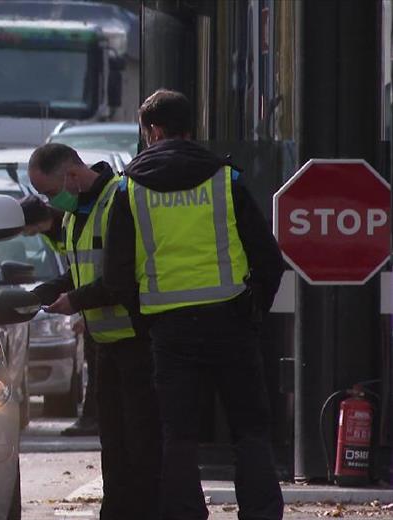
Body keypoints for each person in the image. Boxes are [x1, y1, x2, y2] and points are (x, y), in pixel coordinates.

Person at [103, 89, 285, 520]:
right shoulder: (226, 179)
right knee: (251, 429)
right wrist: (253, 309)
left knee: (178, 435)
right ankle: (260, 512)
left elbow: (116, 276)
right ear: (189, 128)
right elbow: (268, 259)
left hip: (169, 330)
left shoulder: (129, 188)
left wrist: (145, 319)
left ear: (154, 130)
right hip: (232, 322)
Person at [28, 143, 162, 520]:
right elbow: (82, 270)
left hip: (137, 340)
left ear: (71, 175)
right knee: (114, 443)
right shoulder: (77, 214)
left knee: (141, 443)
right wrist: (49, 289)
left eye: (51, 192)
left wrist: (72, 301)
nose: (50, 202)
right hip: (107, 343)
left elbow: (119, 281)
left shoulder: (117, 200)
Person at [19, 194, 98, 434]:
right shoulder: (53, 231)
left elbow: (86, 272)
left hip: (98, 301)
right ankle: (93, 418)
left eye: (28, 229)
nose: (27, 234)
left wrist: (83, 311)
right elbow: (75, 271)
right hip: (89, 299)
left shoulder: (67, 224)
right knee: (95, 365)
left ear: (39, 221)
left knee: (97, 367)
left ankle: (93, 419)